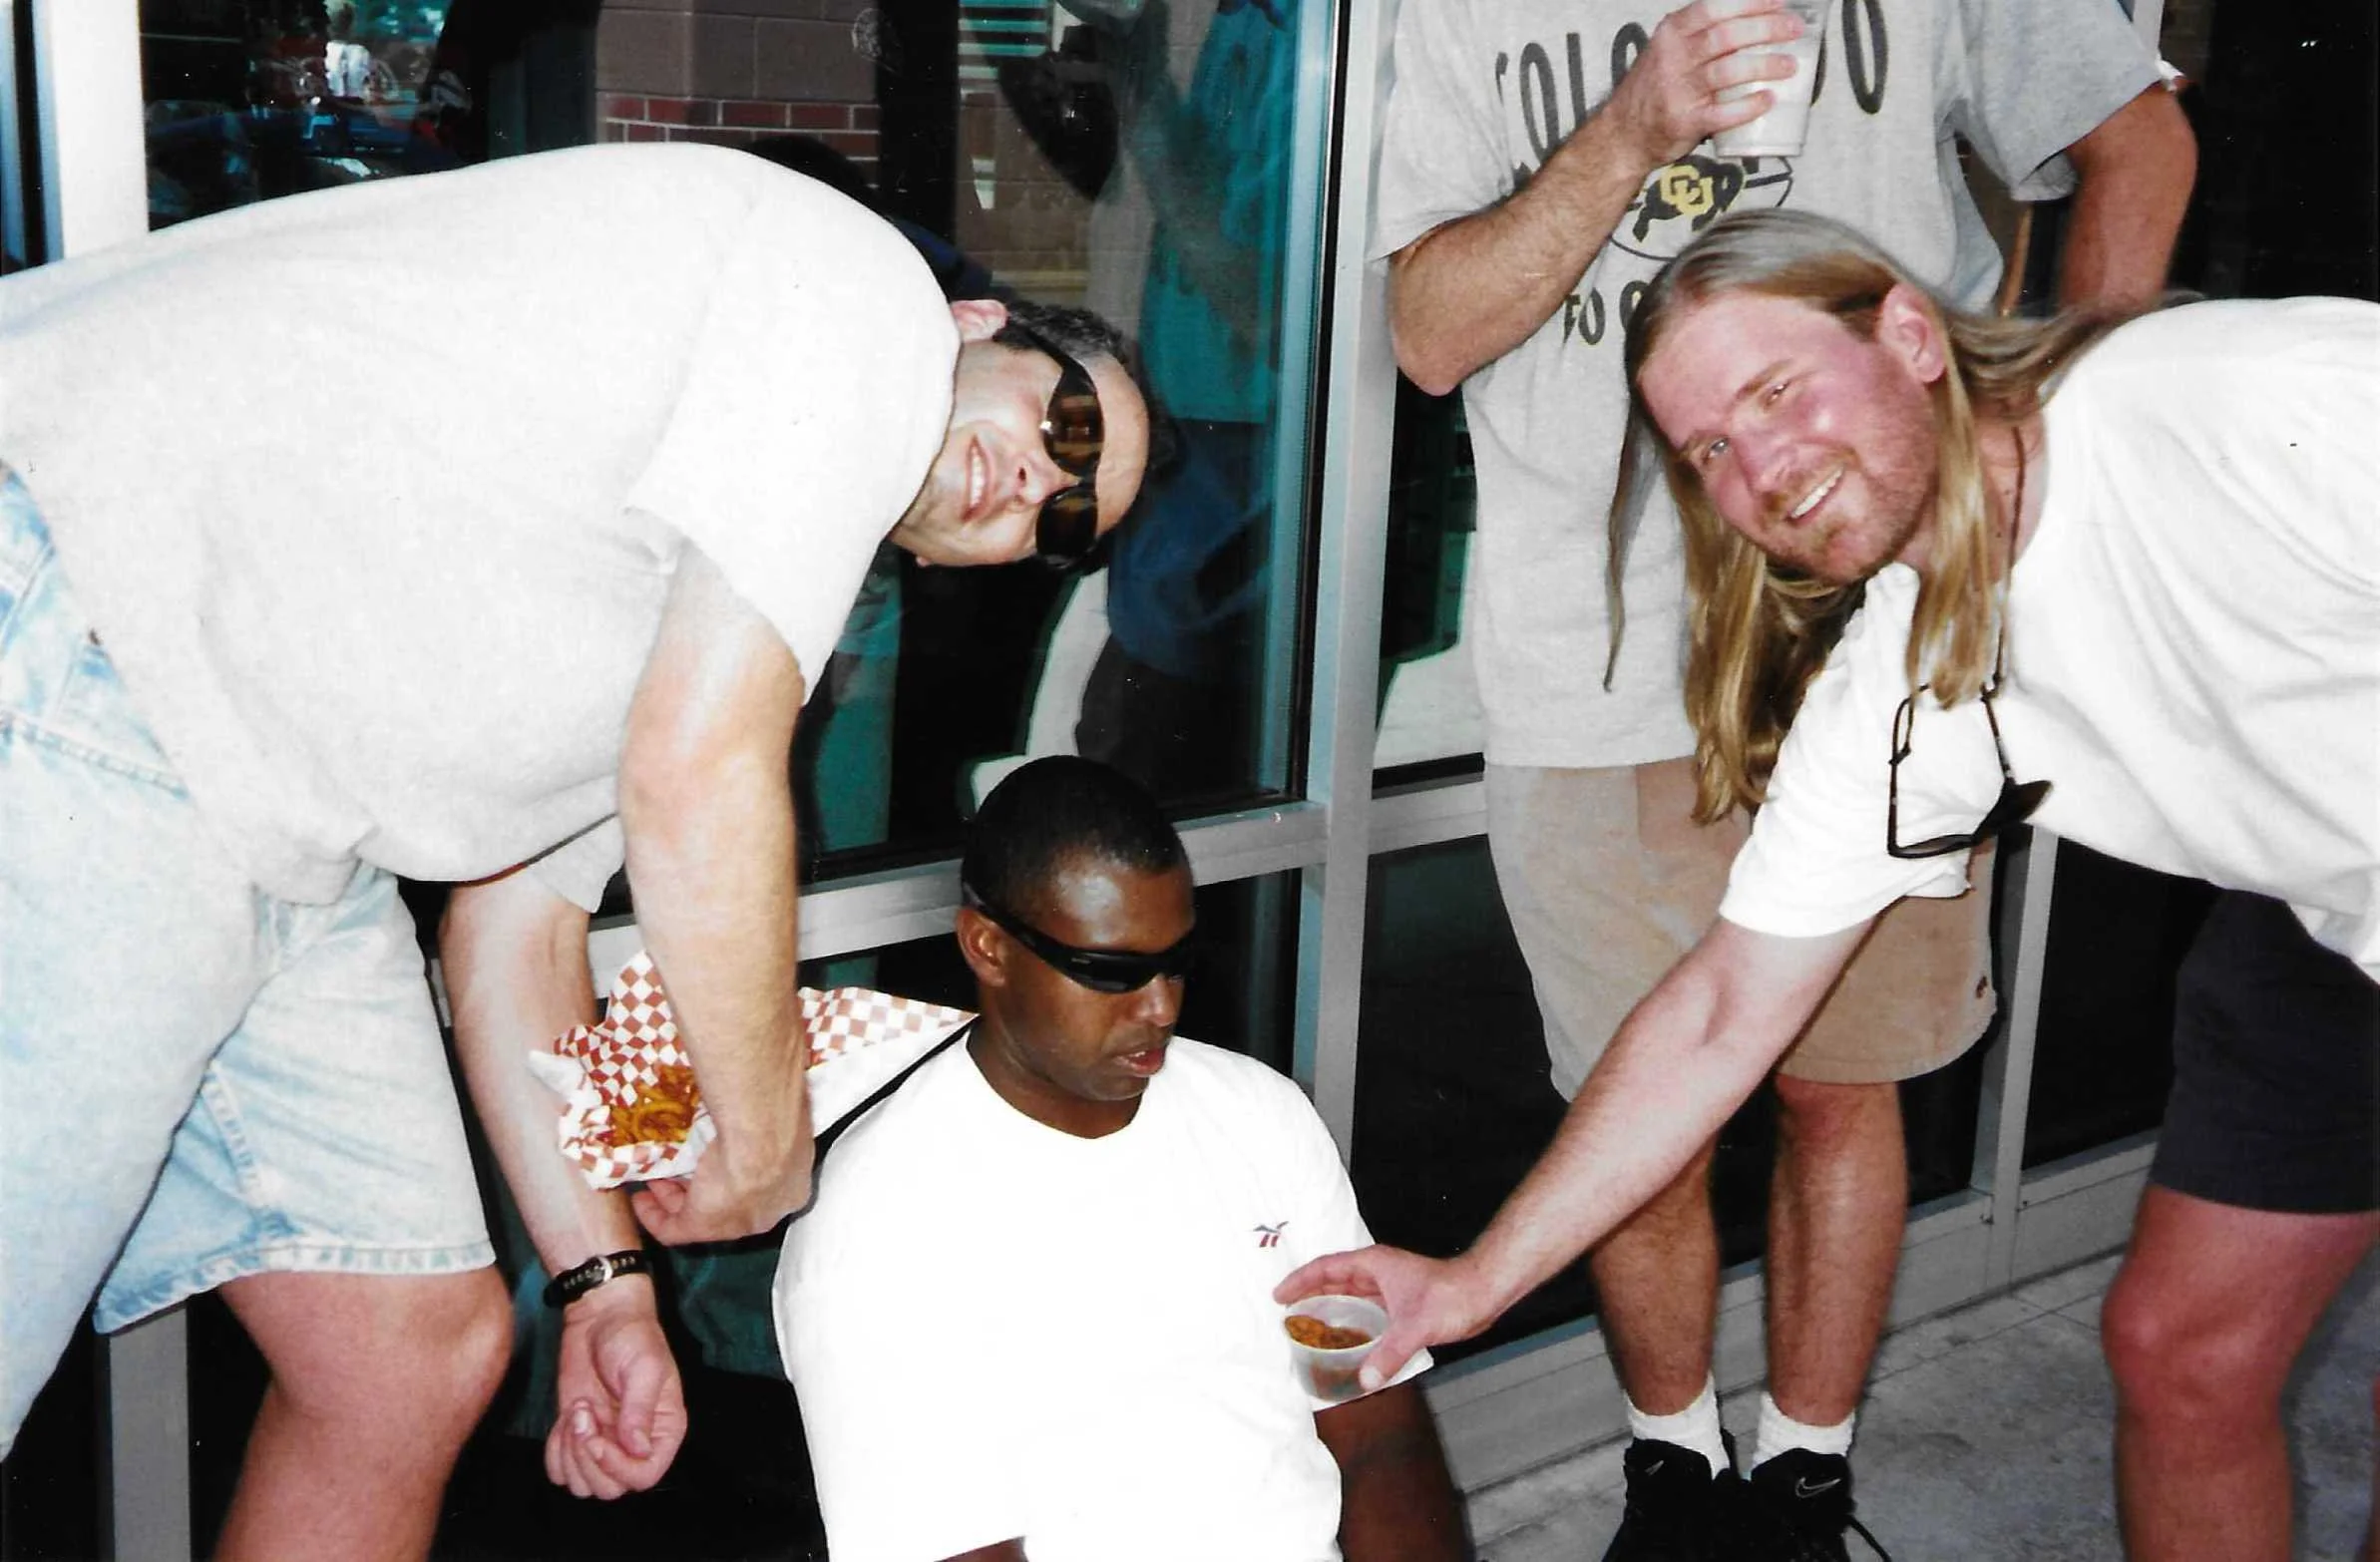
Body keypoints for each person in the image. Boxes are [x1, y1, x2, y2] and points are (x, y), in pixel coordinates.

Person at [0, 142, 1151, 1558]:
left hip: (270, 810)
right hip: (84, 611)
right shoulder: (862, 302)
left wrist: (605, 1282)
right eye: (1068, 422)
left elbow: (514, 934)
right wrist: (768, 1142)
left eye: (1062, 521)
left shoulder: (722, 579)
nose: (1036, 479)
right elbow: (695, 780)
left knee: (404, 1354)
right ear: (979, 323)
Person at [1285, 205, 2378, 1562]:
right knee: (2181, 1350)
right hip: (2321, 919)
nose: (1761, 469)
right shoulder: (1903, 684)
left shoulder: (2227, 400)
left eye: (1776, 391)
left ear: (1910, 337)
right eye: (1710, 449)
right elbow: (1723, 1007)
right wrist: (1471, 1282)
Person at [1369, 0, 2193, 1551]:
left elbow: (2134, 138)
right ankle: (1673, 1474)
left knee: (1838, 1083)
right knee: (1638, 1102)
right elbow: (1426, 334)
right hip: (1591, 648)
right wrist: (1631, 126)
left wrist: (2049, 437)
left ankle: (1804, 1480)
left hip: (1871, 616)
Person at [774, 756, 1467, 1561]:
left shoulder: (1258, 1113)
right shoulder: (878, 1217)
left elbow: (1374, 1425)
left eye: (1176, 961)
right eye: (1113, 973)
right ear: (988, 948)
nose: (1162, 1007)